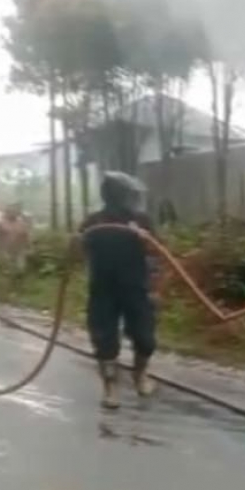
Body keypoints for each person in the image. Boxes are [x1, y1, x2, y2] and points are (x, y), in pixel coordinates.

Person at [78, 172, 158, 410]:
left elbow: (155, 254)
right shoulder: (93, 222)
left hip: (136, 288)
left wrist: (145, 239)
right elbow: (77, 253)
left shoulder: (142, 220)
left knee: (145, 338)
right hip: (103, 289)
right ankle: (110, 388)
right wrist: (75, 242)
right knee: (104, 340)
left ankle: (139, 375)